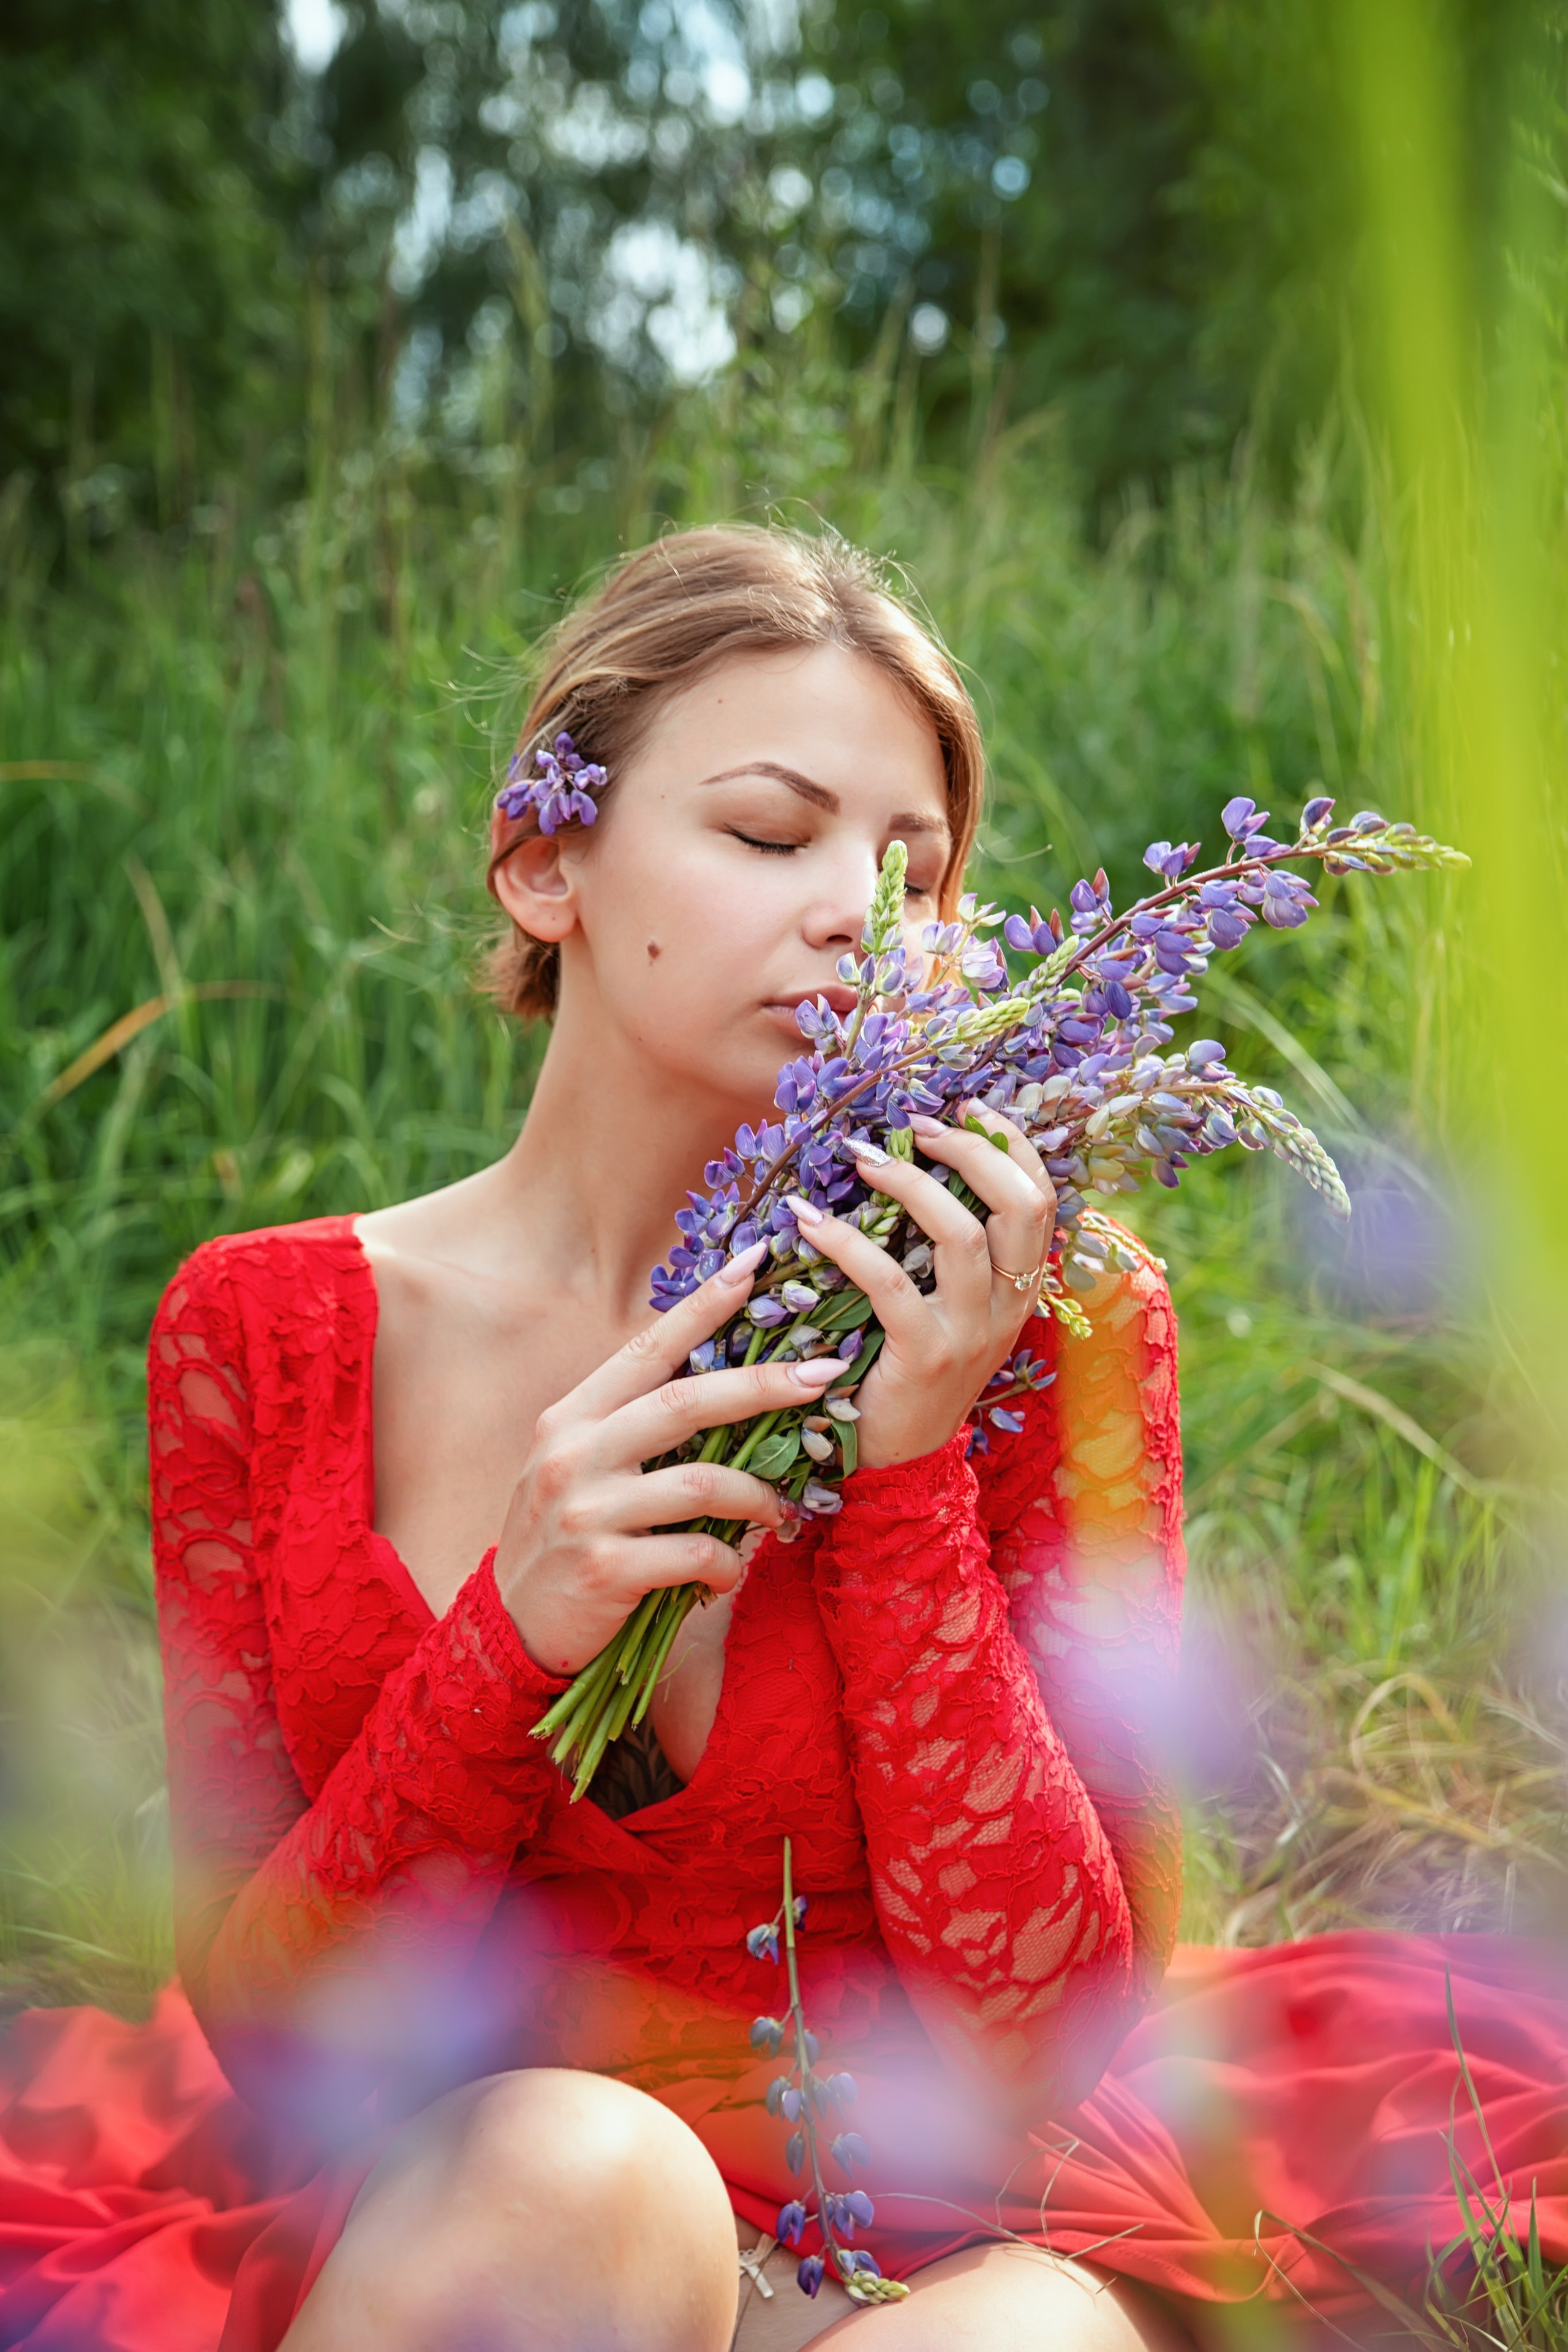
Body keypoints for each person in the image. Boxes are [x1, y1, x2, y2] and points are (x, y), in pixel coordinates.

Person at [2, 527, 1564, 2352]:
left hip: (948, 2224)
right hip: (482, 2218)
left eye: (916, 873)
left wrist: (904, 1480)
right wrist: (517, 1631)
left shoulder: (1050, 1321)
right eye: (769, 833)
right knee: (592, 2172)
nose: (853, 911)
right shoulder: (265, 1333)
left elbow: (1049, 2019)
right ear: (545, 860)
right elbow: (265, 2028)